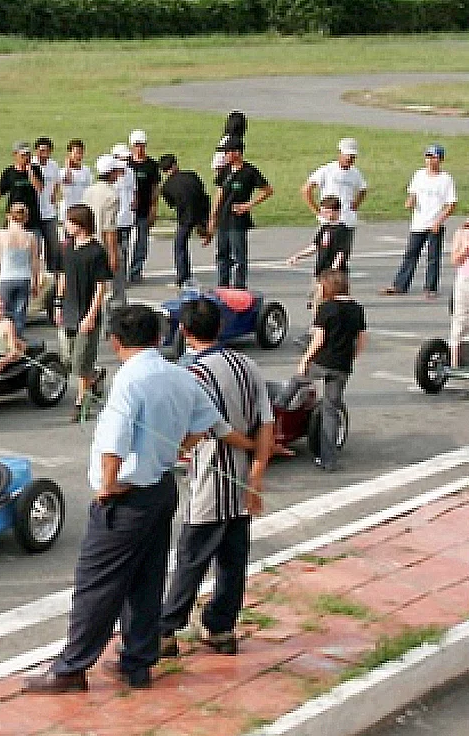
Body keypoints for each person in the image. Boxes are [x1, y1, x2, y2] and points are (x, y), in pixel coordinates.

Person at [23, 305, 227, 693]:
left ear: (115, 341)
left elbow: (115, 439)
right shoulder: (179, 375)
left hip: (127, 494)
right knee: (146, 581)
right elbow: (207, 422)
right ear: (158, 338)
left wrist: (109, 485)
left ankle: (71, 668)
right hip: (161, 487)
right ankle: (137, 662)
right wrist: (174, 451)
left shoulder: (129, 380)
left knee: (97, 583)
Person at [159, 298, 274, 660]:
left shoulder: (192, 373)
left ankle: (166, 629)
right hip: (242, 479)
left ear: (186, 331)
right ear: (221, 327)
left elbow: (210, 428)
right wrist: (255, 474)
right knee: (232, 560)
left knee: (191, 558)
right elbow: (267, 422)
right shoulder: (248, 365)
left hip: (211, 478)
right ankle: (221, 627)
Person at [297, 270, 365, 472]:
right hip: (342, 367)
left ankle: (279, 407)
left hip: (322, 362)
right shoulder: (357, 309)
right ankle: (328, 460)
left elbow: (318, 340)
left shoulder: (326, 308)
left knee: (297, 380)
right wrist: (350, 357)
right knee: (330, 410)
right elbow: (361, 341)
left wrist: (305, 359)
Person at [57, 204, 112, 422]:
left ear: (81, 224)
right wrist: (58, 303)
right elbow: (63, 276)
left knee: (81, 361)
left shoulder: (96, 251)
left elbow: (101, 287)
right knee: (68, 359)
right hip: (69, 309)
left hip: (86, 312)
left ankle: (81, 403)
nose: (66, 225)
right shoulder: (68, 247)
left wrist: (91, 315)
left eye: (69, 222)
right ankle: (94, 376)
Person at [385, 144, 459, 298]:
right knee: (410, 254)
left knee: (433, 257)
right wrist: (410, 201)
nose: (430, 160)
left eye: (434, 157)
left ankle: (430, 288)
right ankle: (400, 285)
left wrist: (439, 221)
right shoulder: (419, 175)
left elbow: (451, 204)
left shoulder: (445, 179)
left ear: (440, 160)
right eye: (428, 157)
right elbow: (413, 193)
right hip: (418, 222)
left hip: (434, 223)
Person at [208, 137, 274, 289]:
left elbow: (267, 190)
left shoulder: (249, 171)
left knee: (238, 256)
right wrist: (213, 216)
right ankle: (222, 285)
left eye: (227, 152)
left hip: (238, 220)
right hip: (223, 218)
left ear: (237, 152)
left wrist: (248, 205)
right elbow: (219, 192)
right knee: (222, 254)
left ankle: (239, 286)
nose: (225, 155)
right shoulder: (225, 170)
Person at [288, 196, 354, 342]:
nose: (325, 214)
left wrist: (333, 271)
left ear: (337, 212)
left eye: (328, 211)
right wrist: (298, 256)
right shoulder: (325, 228)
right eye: (323, 211)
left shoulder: (342, 230)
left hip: (332, 275)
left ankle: (320, 332)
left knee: (326, 302)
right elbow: (315, 246)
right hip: (320, 272)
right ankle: (318, 329)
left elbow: (341, 253)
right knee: (314, 301)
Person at [302, 138, 367, 256]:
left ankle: (338, 273)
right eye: (348, 156)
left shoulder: (355, 173)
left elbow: (363, 189)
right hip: (330, 220)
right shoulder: (327, 170)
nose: (350, 160)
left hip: (347, 219)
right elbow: (306, 189)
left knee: (342, 255)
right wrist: (316, 211)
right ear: (340, 154)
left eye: (352, 157)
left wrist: (356, 205)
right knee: (326, 253)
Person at [159, 154, 210, 288]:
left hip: (184, 218)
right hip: (201, 212)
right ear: (175, 164)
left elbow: (173, 204)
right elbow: (202, 193)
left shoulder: (166, 187)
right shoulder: (192, 175)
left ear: (164, 171)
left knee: (180, 246)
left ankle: (183, 277)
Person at [0, 141, 46, 240]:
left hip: (32, 219)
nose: (26, 158)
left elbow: (39, 188)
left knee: (34, 248)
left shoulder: (36, 170)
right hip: (14, 218)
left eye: (28, 154)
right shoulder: (9, 173)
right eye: (23, 155)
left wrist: (30, 172)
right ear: (15, 155)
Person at [0, 203, 43, 338]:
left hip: (6, 278)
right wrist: (36, 281)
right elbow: (35, 261)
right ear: (26, 218)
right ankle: (17, 338)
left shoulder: (1, 235)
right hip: (24, 278)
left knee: (5, 312)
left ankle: (7, 340)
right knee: (20, 312)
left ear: (9, 216)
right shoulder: (30, 236)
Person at [82, 156, 123, 309]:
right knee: (112, 293)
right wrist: (113, 255)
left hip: (89, 243)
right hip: (104, 246)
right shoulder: (111, 195)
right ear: (111, 173)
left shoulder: (88, 191)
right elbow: (109, 229)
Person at [125, 130, 162, 285]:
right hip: (127, 210)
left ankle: (136, 271)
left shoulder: (151, 165)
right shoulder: (126, 163)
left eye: (142, 145)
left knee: (141, 242)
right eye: (136, 145)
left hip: (144, 208)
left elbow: (155, 188)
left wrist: (154, 208)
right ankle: (122, 271)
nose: (139, 149)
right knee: (124, 242)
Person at [109, 142, 138, 303]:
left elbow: (134, 191)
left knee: (125, 249)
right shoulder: (112, 175)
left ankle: (123, 276)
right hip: (114, 220)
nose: (125, 162)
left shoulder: (131, 173)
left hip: (127, 218)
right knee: (114, 249)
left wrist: (134, 205)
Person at [58, 139, 93, 270]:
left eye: (80, 153)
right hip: (69, 211)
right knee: (69, 240)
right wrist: (67, 166)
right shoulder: (62, 171)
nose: (78, 156)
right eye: (76, 152)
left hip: (83, 210)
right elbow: (66, 180)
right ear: (69, 153)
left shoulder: (86, 170)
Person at [35, 137, 64, 274]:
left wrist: (55, 194)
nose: (44, 154)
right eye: (41, 151)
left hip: (49, 211)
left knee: (53, 246)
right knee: (36, 246)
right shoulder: (32, 165)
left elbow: (57, 181)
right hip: (35, 212)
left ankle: (52, 273)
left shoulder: (53, 165)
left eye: (46, 151)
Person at [452, 215, 469, 364]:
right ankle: (454, 360)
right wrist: (467, 248)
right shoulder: (462, 232)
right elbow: (455, 260)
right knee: (460, 318)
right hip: (464, 279)